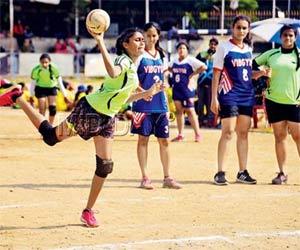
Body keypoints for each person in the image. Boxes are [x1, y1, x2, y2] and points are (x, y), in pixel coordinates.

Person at [0, 27, 164, 227]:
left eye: (142, 40)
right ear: (125, 44)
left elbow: (123, 97)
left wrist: (147, 92)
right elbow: (112, 71)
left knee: (105, 166)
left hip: (108, 118)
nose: (141, 42)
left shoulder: (133, 68)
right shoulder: (122, 61)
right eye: (137, 39)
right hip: (91, 110)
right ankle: (18, 97)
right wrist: (101, 41)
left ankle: (88, 211)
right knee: (50, 137)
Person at [211, 15, 270, 185]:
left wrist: (260, 73)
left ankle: (242, 172)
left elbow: (247, 74)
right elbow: (216, 73)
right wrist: (214, 98)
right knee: (228, 132)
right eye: (239, 27)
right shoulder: (224, 47)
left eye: (245, 28)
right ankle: (220, 172)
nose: (242, 31)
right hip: (229, 94)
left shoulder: (248, 49)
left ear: (248, 30)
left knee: (243, 133)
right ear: (233, 28)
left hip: (246, 94)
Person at [131, 22, 182, 190]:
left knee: (165, 141)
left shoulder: (162, 55)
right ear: (143, 35)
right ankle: (145, 177)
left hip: (160, 104)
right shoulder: (138, 56)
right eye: (148, 35)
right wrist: (144, 92)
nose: (151, 39)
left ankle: (167, 177)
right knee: (143, 140)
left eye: (154, 35)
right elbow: (132, 81)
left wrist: (165, 89)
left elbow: (164, 77)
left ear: (158, 36)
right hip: (142, 105)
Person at [253, 24, 300, 184]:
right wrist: (262, 72)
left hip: (295, 103)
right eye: (285, 35)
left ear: (295, 37)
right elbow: (252, 66)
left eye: (291, 35)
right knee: (280, 137)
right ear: (280, 37)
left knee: (298, 137)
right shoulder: (271, 54)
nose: (288, 38)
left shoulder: (299, 55)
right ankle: (282, 173)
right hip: (274, 102)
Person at [168, 41, 207, 142]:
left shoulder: (190, 60)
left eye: (183, 48)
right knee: (179, 111)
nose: (181, 50)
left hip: (187, 90)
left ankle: (198, 134)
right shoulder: (174, 60)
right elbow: (168, 68)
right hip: (176, 89)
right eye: (180, 48)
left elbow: (204, 67)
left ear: (187, 50)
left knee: (190, 111)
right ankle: (180, 134)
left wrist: (193, 74)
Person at [29, 53, 69, 125]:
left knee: (52, 108)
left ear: (49, 62)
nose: (44, 64)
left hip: (51, 87)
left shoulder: (54, 68)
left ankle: (50, 126)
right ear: (40, 62)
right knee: (42, 108)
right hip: (40, 88)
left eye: (46, 62)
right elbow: (32, 84)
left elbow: (60, 82)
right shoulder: (36, 70)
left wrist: (65, 95)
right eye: (42, 62)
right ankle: (43, 127)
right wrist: (31, 96)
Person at [196, 37, 219, 127]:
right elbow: (194, 65)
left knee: (211, 103)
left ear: (217, 46)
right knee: (200, 103)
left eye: (215, 44)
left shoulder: (219, 56)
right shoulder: (202, 54)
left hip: (212, 83)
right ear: (209, 44)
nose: (213, 46)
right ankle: (200, 121)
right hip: (201, 82)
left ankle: (210, 122)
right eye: (211, 44)